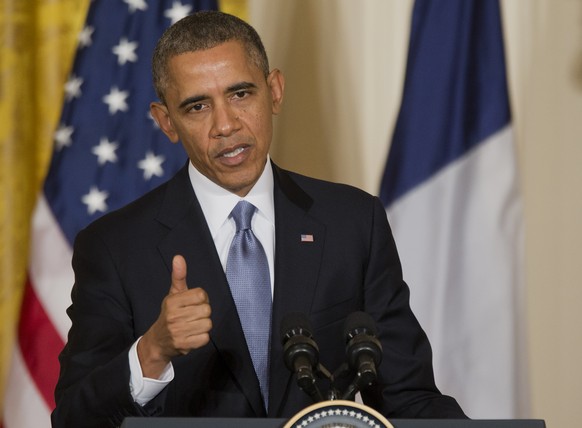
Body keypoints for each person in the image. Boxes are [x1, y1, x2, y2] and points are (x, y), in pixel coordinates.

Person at [52, 10, 467, 427]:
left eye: (241, 94)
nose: (226, 125)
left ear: (275, 91)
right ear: (166, 123)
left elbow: (408, 397)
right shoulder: (115, 247)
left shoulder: (353, 222)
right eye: (197, 106)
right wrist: (152, 352)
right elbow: (73, 418)